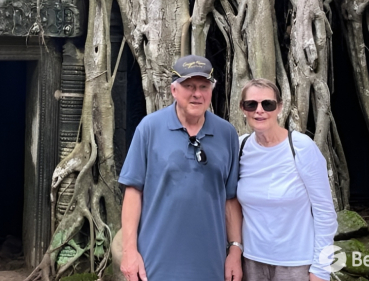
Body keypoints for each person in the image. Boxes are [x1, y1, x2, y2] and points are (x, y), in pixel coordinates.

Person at [118, 55, 243, 281]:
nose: (197, 93)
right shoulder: (150, 128)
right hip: (155, 262)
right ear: (174, 90)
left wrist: (235, 249)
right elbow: (133, 192)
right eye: (189, 86)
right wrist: (129, 251)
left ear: (212, 90)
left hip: (210, 263)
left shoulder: (227, 134)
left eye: (203, 86)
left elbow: (230, 198)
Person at [235, 78, 337, 281]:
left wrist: (321, 268)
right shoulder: (240, 147)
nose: (259, 110)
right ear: (243, 109)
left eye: (268, 104)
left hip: (295, 263)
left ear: (280, 107)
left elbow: (324, 211)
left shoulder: (300, 147)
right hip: (251, 261)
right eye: (251, 104)